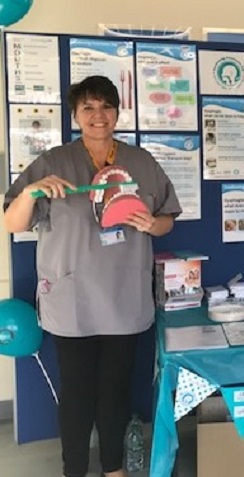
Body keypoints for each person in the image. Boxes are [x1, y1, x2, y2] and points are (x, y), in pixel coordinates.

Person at [3, 75, 182, 477]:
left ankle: (114, 467)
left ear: (117, 112)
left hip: (124, 296)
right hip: (72, 298)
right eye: (88, 108)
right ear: (75, 115)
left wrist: (153, 225)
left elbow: (168, 217)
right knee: (78, 393)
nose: (98, 116)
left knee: (116, 389)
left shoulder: (141, 162)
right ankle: (75, 469)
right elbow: (12, 223)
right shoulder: (52, 162)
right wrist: (34, 193)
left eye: (106, 107)